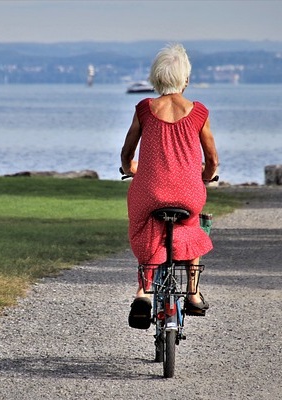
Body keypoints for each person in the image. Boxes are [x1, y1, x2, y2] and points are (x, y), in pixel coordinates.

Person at [120, 43, 219, 329]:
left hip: (150, 191)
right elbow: (212, 159)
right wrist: (206, 176)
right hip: (188, 193)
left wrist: (130, 169)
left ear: (156, 77)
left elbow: (127, 153)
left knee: (146, 226)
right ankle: (193, 293)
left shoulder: (145, 109)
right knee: (192, 226)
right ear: (185, 79)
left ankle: (143, 292)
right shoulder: (199, 112)